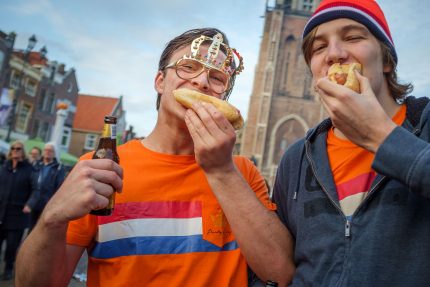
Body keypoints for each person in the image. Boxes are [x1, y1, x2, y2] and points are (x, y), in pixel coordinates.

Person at [16, 28, 295, 287]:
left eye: (218, 78)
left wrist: (222, 171)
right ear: (160, 81)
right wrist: (52, 218)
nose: (201, 81)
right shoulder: (102, 167)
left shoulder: (242, 172)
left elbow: (280, 273)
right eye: (188, 67)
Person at [273, 0, 430, 286]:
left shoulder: (425, 125)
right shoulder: (297, 158)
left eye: (353, 37)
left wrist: (384, 138)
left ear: (385, 60)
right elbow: (277, 264)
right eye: (319, 47)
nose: (334, 54)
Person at [0, 141, 36, 280]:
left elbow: (36, 190)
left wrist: (30, 204)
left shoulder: (30, 170)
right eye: (13, 148)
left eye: (18, 149)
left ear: (23, 151)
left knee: (12, 246)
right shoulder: (4, 167)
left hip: (18, 216)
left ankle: (9, 268)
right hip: (1, 212)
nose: (15, 151)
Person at [24, 142, 65, 230]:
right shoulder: (36, 165)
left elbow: (59, 188)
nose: (47, 152)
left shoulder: (58, 168)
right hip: (32, 203)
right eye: (46, 150)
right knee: (30, 229)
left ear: (54, 153)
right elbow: (29, 183)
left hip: (47, 204)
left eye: (50, 151)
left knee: (41, 230)